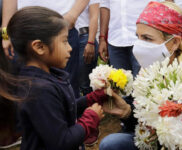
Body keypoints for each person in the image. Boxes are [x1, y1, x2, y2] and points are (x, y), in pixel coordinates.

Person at [99, 1, 182, 150]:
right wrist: (128, 113)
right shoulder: (147, 72)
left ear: (174, 42)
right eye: (138, 37)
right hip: (153, 143)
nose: (139, 45)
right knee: (111, 144)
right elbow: (144, 129)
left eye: (147, 38)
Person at [6, 6, 111, 150]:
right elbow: (62, 141)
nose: (70, 48)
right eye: (64, 41)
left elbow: (61, 108)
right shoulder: (39, 90)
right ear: (39, 47)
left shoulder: (48, 77)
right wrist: (90, 118)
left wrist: (91, 98)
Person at [2, 0, 91, 98]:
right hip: (24, 31)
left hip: (61, 29)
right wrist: (5, 34)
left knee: (66, 89)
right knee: (23, 89)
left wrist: (72, 15)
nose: (69, 49)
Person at [98, 0, 165, 77]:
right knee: (119, 86)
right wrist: (102, 38)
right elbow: (105, 6)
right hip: (115, 41)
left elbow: (164, 4)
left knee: (143, 84)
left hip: (143, 41)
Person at [75, 0, 99, 96]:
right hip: (62, 36)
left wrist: (90, 42)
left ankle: (90, 110)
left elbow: (94, 16)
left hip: (84, 37)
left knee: (86, 85)